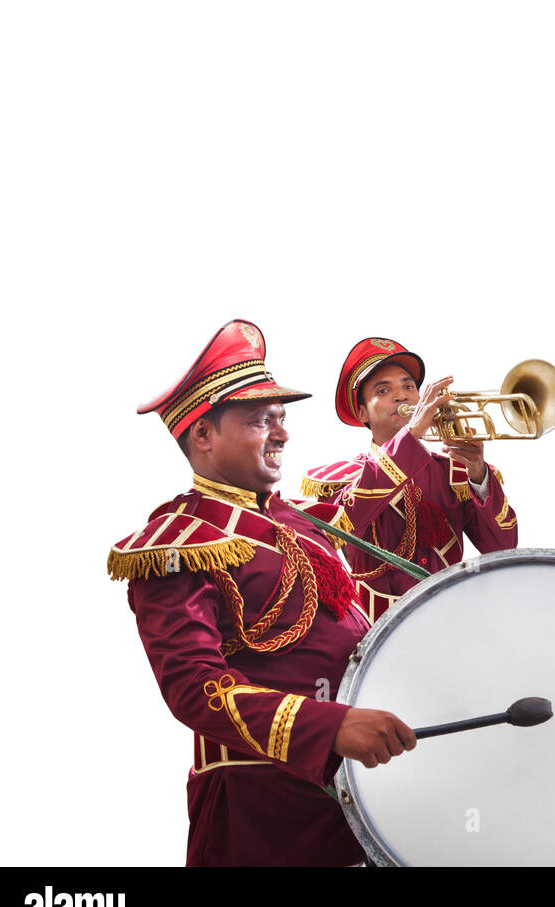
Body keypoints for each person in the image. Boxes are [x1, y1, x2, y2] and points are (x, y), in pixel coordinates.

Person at [107, 320, 417, 866]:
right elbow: (193, 685)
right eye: (260, 420)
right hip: (258, 813)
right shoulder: (179, 538)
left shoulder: (300, 525)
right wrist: (332, 726)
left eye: (281, 418)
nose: (282, 433)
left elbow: (358, 623)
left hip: (357, 800)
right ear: (202, 435)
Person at [303, 337, 518, 622]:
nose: (401, 396)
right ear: (362, 412)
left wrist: (478, 471)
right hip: (374, 629)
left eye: (409, 387)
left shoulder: (453, 472)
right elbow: (347, 523)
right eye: (384, 390)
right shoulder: (340, 477)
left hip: (450, 622)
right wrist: (411, 437)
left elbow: (503, 548)